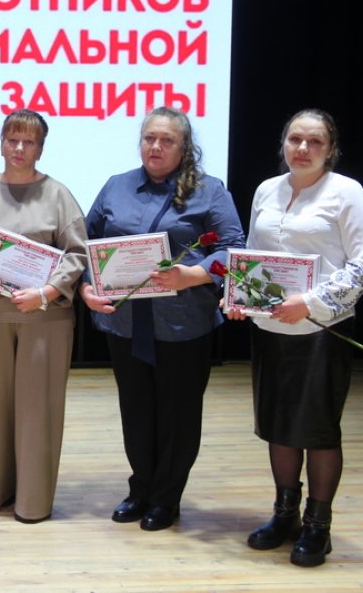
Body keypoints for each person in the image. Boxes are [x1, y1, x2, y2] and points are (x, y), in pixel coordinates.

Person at [79, 106, 244, 531]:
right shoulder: (116, 186)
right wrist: (85, 287)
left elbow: (232, 248)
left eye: (167, 140)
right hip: (125, 323)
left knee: (178, 414)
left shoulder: (210, 191)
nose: (156, 146)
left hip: (182, 323)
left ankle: (166, 498)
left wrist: (193, 274)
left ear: (184, 147)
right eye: (149, 138)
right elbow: (86, 243)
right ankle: (140, 489)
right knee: (136, 409)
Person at [226, 109, 363, 567]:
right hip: (270, 327)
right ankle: (284, 515)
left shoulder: (347, 192)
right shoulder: (266, 190)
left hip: (322, 330)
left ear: (331, 149)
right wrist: (239, 297)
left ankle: (318, 527)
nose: (303, 149)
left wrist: (309, 303)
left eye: (314, 141)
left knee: (317, 429)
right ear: (284, 144)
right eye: (295, 139)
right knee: (278, 425)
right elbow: (252, 256)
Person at [0, 109, 88, 524]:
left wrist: (47, 293)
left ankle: (33, 501)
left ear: (40, 148)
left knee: (37, 413)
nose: (18, 148)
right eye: (12, 139)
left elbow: (78, 254)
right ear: (1, 143)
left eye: (28, 141)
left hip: (43, 320)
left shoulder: (58, 195)